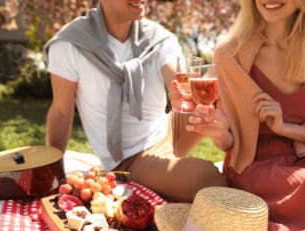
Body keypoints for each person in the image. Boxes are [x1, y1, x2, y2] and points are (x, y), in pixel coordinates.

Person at [43, 0, 226, 203]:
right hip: (130, 158)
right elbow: (61, 113)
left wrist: (184, 95)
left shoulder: (159, 39)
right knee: (206, 179)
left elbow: (178, 83)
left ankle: (255, 162)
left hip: (168, 131)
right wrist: (51, 172)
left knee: (227, 69)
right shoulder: (71, 44)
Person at [187, 0, 305, 231]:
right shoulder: (230, 54)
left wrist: (285, 128)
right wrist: (219, 132)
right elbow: (229, 143)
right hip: (257, 168)